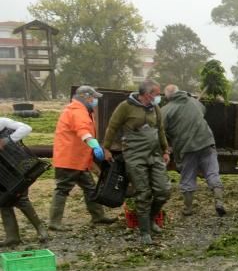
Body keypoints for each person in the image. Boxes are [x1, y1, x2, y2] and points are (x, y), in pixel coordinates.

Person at [103, 79, 172, 245]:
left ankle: (151, 219)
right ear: (147, 94)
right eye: (156, 93)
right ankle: (144, 231)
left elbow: (160, 129)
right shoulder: (125, 107)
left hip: (154, 154)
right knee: (144, 193)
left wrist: (165, 150)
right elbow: (112, 127)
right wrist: (106, 148)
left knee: (163, 191)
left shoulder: (155, 108)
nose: (159, 96)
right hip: (135, 155)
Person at [48, 85, 117, 231]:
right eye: (93, 98)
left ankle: (98, 216)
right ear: (86, 97)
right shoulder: (77, 111)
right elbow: (83, 131)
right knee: (62, 189)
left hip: (78, 160)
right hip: (70, 160)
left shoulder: (79, 109)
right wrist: (95, 146)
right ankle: (54, 222)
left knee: (90, 188)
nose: (95, 101)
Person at [162, 84, 226, 216]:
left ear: (167, 97)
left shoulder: (165, 110)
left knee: (188, 177)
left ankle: (188, 208)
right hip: (206, 142)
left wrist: (166, 146)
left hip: (187, 147)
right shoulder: (194, 102)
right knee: (212, 173)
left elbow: (161, 130)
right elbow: (202, 111)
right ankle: (219, 202)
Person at [0, 116, 48, 246]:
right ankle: (12, 236)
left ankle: (41, 229)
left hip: (16, 165)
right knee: (3, 201)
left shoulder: (2, 122)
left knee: (21, 198)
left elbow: (26, 128)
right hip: (1, 171)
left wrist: (7, 140)